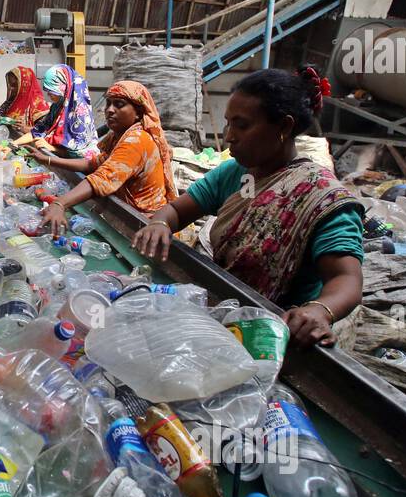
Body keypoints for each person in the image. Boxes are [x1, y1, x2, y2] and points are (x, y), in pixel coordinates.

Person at [131, 67, 364, 348]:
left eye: (242, 126)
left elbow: (346, 278)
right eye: (228, 124)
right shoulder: (234, 173)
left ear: (284, 127)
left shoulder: (321, 197)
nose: (229, 136)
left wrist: (320, 310)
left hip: (276, 335)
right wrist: (160, 223)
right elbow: (177, 212)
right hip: (225, 314)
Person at [34, 80, 177, 232]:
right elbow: (93, 164)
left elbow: (102, 178)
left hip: (145, 225)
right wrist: (48, 159)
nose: (109, 110)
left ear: (138, 113)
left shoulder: (137, 140)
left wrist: (60, 203)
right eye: (108, 104)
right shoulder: (119, 136)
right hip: (129, 216)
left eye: (119, 104)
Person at [19, 64, 99, 159]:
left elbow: (81, 154)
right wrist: (12, 144)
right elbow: (38, 131)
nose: (48, 94)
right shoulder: (57, 106)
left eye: (52, 90)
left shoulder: (80, 114)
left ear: (64, 87)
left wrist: (53, 148)